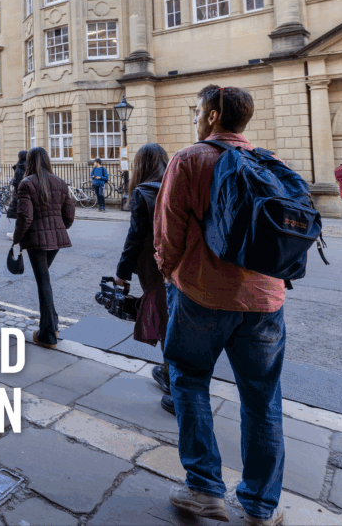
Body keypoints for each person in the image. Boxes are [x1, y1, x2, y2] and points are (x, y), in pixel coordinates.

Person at [155, 85, 287, 526]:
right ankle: (260, 506)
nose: (195, 118)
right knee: (263, 400)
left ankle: (204, 490)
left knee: (189, 381)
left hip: (201, 294)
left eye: (197, 111)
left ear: (212, 117)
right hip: (265, 299)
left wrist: (171, 272)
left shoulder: (191, 159)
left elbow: (168, 233)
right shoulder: (270, 162)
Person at [115, 143, 171, 412]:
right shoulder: (175, 185)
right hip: (179, 264)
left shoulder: (143, 192)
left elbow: (134, 238)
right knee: (173, 316)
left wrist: (121, 274)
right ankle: (170, 371)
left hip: (152, 265)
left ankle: (172, 377)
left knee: (162, 318)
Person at [14, 147, 75, 349]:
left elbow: (25, 217)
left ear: (30, 162)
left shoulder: (27, 183)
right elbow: (69, 215)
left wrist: (17, 239)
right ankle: (53, 322)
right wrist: (58, 228)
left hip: (36, 240)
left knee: (43, 282)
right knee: (44, 279)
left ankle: (48, 334)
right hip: (55, 239)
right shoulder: (60, 182)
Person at [6, 151, 27, 237]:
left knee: (20, 214)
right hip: (28, 192)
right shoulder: (29, 166)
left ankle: (16, 234)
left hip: (19, 193)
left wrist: (12, 181)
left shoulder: (20, 167)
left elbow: (18, 182)